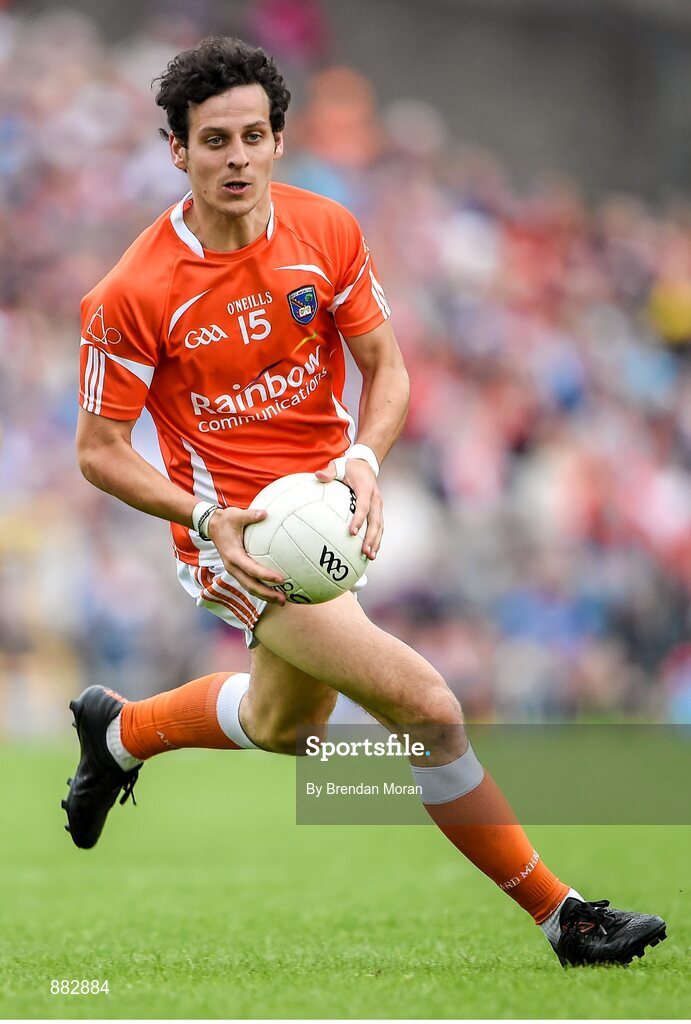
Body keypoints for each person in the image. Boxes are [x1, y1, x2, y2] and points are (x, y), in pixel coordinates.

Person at [64, 36, 666, 968]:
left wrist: (364, 458)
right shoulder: (132, 294)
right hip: (246, 540)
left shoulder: (327, 231)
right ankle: (566, 917)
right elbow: (99, 451)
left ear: (276, 142)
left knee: (284, 728)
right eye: (213, 140)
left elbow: (385, 367)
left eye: (253, 137)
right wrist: (202, 518)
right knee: (429, 709)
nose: (236, 158)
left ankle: (121, 732)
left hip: (327, 514)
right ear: (175, 150)